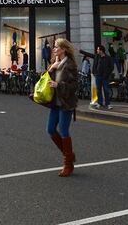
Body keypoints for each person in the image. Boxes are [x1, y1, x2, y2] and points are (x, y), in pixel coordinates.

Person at [43, 38, 78, 177]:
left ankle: (68, 164)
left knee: (63, 131)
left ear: (64, 49)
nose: (54, 49)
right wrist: (51, 68)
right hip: (55, 102)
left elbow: (75, 86)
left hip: (65, 102)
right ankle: (69, 154)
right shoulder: (54, 63)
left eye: (56, 47)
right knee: (50, 129)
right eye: (54, 47)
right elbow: (45, 80)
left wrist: (59, 85)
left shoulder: (70, 65)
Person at [92, 45, 112, 110]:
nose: (97, 50)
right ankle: (99, 103)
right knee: (98, 90)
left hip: (105, 77)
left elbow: (111, 67)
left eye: (98, 49)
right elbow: (94, 64)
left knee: (106, 90)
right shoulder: (97, 57)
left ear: (101, 50)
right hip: (98, 76)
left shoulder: (108, 57)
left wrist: (107, 74)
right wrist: (94, 72)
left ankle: (107, 104)